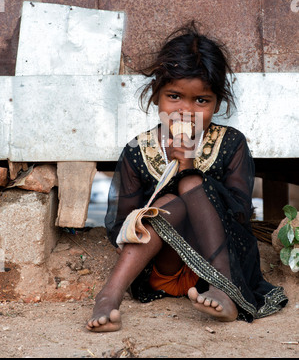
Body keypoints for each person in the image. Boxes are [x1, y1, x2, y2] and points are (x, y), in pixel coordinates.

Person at [86, 21, 288, 332]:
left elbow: (240, 213)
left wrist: (190, 169)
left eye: (201, 101)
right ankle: (109, 295)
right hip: (162, 266)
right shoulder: (138, 150)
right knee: (165, 201)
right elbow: (121, 226)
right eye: (174, 97)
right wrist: (168, 192)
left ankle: (225, 290)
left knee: (193, 182)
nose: (185, 110)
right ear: (156, 96)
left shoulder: (231, 143)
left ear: (217, 103)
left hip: (222, 262)